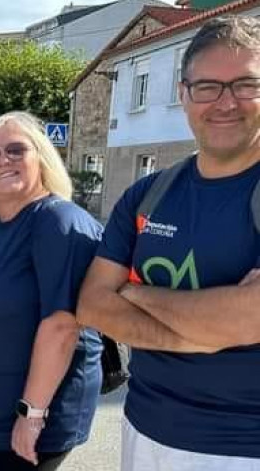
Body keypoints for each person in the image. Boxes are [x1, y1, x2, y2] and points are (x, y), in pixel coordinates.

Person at [78, 16, 260, 470]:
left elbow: (246, 320)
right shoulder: (149, 193)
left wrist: (135, 293)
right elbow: (93, 306)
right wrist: (197, 332)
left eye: (245, 85)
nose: (226, 103)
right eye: (207, 87)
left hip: (239, 446)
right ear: (183, 95)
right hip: (143, 429)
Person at [0, 111, 102, 471]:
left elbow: (63, 327)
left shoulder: (58, 222)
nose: (2, 160)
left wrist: (31, 415)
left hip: (32, 412)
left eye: (16, 150)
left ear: (42, 157)